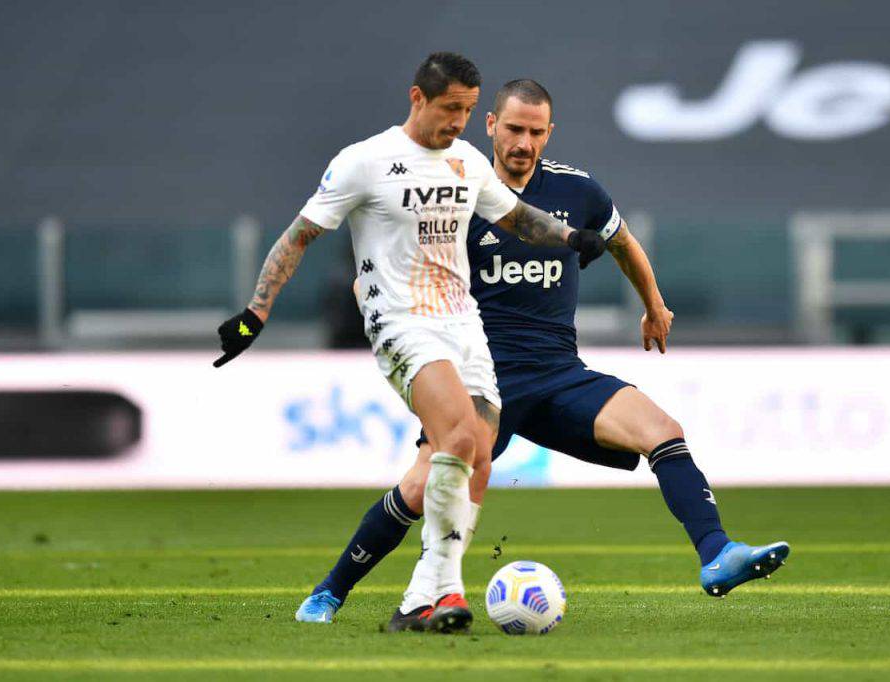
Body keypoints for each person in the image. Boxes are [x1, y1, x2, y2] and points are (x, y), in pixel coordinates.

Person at [294, 79, 790, 630]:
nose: (523, 142)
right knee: (417, 489)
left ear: (549, 133)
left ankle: (717, 555)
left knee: (662, 429)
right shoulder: (456, 194)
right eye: (513, 129)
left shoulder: (579, 193)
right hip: (481, 383)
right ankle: (329, 593)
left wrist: (654, 304)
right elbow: (391, 269)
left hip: (558, 375)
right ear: (490, 126)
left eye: (535, 131)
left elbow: (622, 241)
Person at [213, 57, 607, 634]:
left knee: (474, 457)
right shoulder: (363, 162)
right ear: (417, 97)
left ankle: (416, 598)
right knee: (459, 436)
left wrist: (574, 236)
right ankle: (446, 592)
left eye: (470, 111)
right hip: (399, 322)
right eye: (452, 109)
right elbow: (300, 235)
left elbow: (519, 218)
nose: (461, 121)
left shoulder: (467, 160)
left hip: (462, 323)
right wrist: (256, 312)